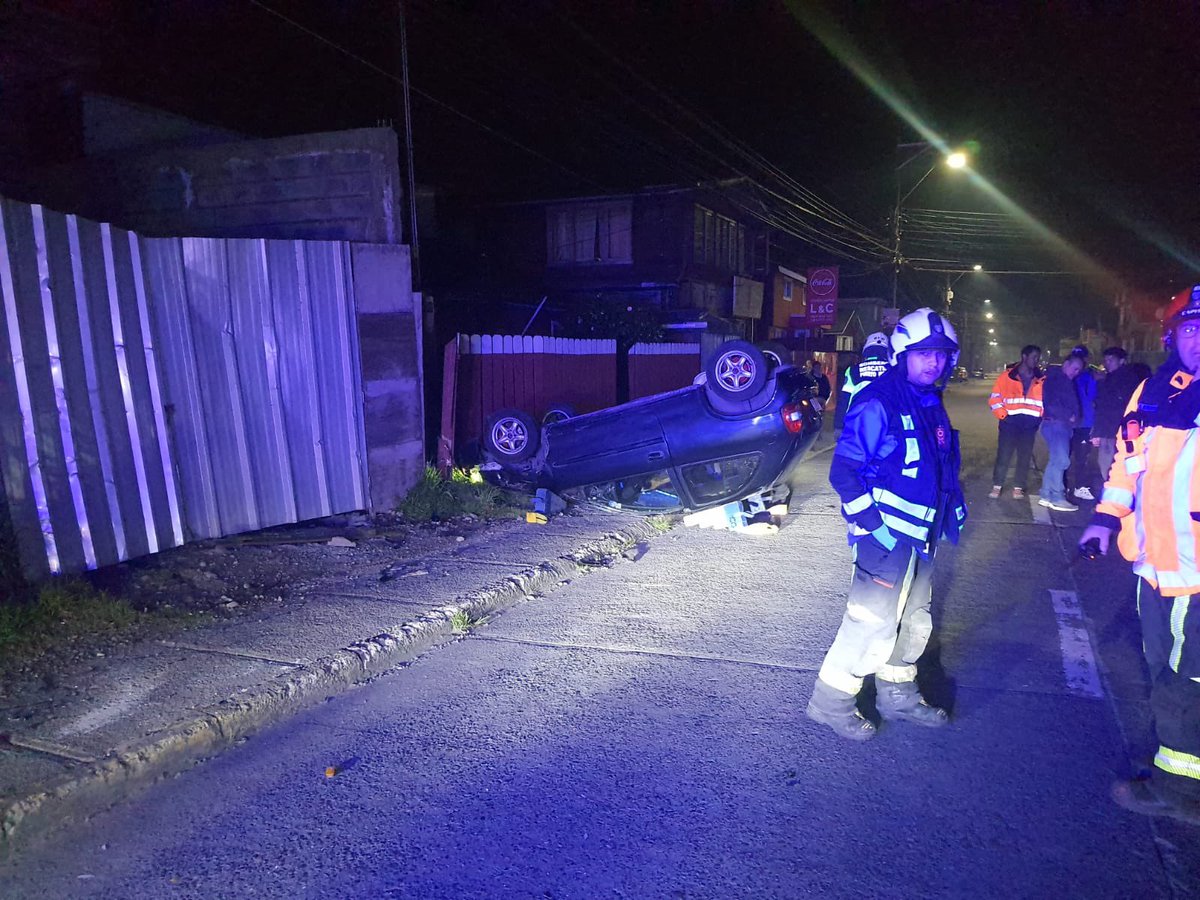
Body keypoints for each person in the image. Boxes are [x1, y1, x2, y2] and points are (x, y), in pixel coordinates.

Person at [808, 308, 967, 741]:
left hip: (921, 536)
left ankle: (897, 694)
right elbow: (844, 472)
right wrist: (872, 525)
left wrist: (950, 510)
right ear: (902, 354)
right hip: (885, 539)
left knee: (915, 617)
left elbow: (938, 466)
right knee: (870, 620)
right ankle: (830, 702)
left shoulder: (931, 402)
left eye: (940, 355)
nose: (932, 362)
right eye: (922, 354)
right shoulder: (878, 400)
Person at [1080, 285, 1200, 824]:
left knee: (1186, 680)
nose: (1198, 340)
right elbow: (1127, 466)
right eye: (1190, 329)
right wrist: (1105, 521)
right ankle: (1173, 769)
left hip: (1196, 574)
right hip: (1152, 565)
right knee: (1162, 671)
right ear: (1173, 335)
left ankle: (1182, 793)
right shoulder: (1151, 393)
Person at [1089, 347, 1150, 499]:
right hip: (1114, 430)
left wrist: (1101, 383)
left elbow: (1110, 403)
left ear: (1122, 361)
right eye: (1106, 360)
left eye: (1111, 360)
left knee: (1112, 468)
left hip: (1115, 430)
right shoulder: (1113, 378)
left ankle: (1115, 501)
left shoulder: (1124, 379)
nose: (1107, 363)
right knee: (1112, 466)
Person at [987, 345, 1045, 500]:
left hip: (1030, 424)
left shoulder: (1041, 378)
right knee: (1004, 455)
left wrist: (1039, 417)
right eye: (1034, 357)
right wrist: (1003, 416)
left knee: (1024, 456)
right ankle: (997, 484)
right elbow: (995, 398)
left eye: (1038, 358)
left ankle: (1018, 486)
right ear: (1024, 357)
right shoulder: (1007, 376)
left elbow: (1045, 400)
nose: (1036, 361)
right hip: (1009, 423)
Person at [1038, 352, 1086, 512]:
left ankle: (1046, 494)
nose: (1076, 372)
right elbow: (1051, 404)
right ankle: (1057, 497)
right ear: (1066, 364)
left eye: (1078, 370)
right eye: (1074, 368)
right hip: (1056, 424)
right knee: (1061, 461)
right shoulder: (1056, 380)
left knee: (1055, 460)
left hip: (1058, 424)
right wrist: (1070, 416)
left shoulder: (1061, 379)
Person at [1070, 345, 1099, 501]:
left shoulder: (1068, 374)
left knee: (1065, 456)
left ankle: (1065, 485)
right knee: (1082, 458)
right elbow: (1092, 396)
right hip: (1084, 422)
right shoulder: (1089, 376)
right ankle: (1079, 487)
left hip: (1070, 422)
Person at [839, 332, 891, 411]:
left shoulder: (853, 371)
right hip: (888, 418)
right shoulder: (894, 370)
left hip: (859, 418)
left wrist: (839, 422)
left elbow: (844, 400)